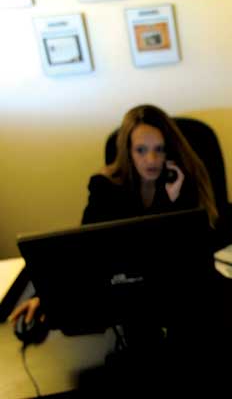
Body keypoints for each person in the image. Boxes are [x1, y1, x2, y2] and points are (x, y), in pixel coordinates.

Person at [9, 104, 219, 329]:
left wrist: (171, 200)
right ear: (127, 150)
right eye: (141, 150)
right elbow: (82, 251)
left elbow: (191, 252)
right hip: (123, 307)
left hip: (178, 300)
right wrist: (48, 296)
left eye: (159, 149)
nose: (151, 159)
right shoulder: (104, 187)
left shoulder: (181, 180)